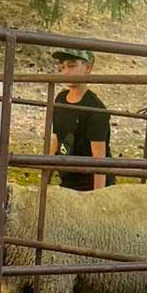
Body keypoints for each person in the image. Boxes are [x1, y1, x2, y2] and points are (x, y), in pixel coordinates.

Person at [49, 47, 109, 190]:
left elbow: (99, 157)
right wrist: (45, 180)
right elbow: (56, 139)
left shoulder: (95, 108)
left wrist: (98, 197)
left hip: (87, 185)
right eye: (62, 67)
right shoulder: (60, 99)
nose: (66, 72)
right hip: (67, 181)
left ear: (87, 67)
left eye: (72, 66)